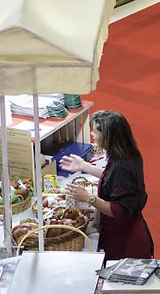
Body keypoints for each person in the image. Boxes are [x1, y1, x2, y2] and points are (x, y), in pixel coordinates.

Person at [61, 110, 154, 260]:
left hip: (125, 244)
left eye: (95, 132)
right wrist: (84, 166)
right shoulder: (126, 154)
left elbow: (120, 211)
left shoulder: (122, 166)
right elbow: (111, 177)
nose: (92, 135)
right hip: (126, 234)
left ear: (107, 137)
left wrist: (88, 198)